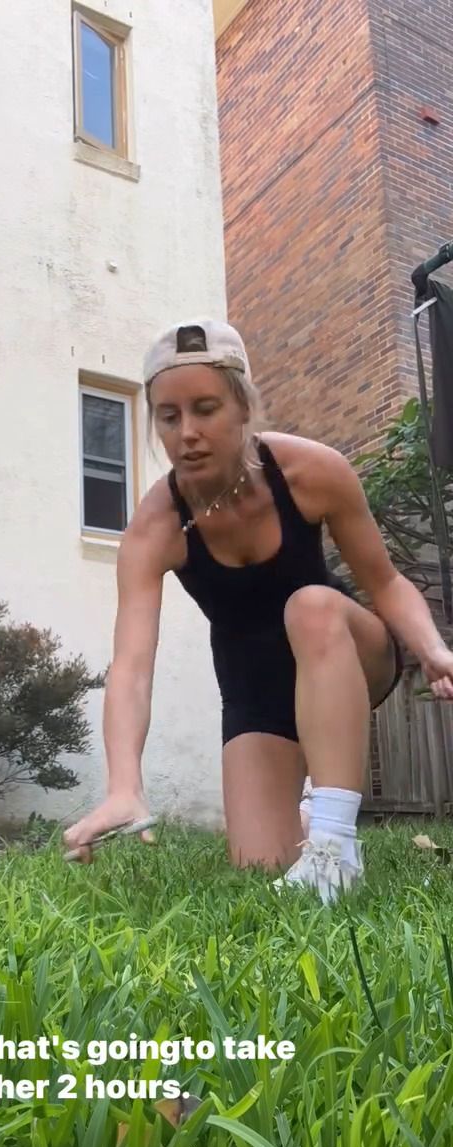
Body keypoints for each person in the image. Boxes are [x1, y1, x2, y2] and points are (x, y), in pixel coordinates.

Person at [63, 318, 453, 900]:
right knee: (259, 863)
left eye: (205, 409)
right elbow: (132, 667)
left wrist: (434, 650)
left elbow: (387, 581)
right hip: (255, 687)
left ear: (243, 406)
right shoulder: (154, 529)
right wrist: (124, 784)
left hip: (342, 649)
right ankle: (306, 817)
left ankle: (334, 849)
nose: (187, 432)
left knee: (309, 606)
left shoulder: (311, 472)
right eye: (169, 416)